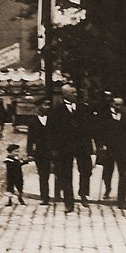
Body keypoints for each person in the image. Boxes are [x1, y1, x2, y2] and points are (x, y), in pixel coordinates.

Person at [49, 84, 95, 213]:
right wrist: (54, 149)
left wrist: (91, 146)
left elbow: (89, 128)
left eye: (75, 93)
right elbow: (52, 131)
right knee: (66, 174)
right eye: (71, 93)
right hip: (65, 147)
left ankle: (83, 193)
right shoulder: (56, 110)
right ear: (64, 95)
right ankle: (69, 202)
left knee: (86, 170)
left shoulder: (82, 108)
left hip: (82, 146)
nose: (75, 95)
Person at [99, 97, 126, 209]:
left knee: (122, 174)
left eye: (120, 105)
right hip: (109, 150)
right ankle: (107, 189)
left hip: (122, 151)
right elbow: (99, 132)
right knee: (108, 172)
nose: (118, 107)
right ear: (112, 104)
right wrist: (101, 145)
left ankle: (121, 200)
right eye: (116, 104)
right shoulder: (104, 116)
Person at [27, 98, 52, 205]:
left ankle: (60, 194)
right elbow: (30, 139)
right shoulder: (33, 121)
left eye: (48, 105)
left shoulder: (52, 119)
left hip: (53, 151)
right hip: (40, 152)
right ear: (39, 107)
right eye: (45, 105)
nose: (48, 107)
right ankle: (45, 197)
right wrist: (29, 153)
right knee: (43, 175)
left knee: (58, 173)